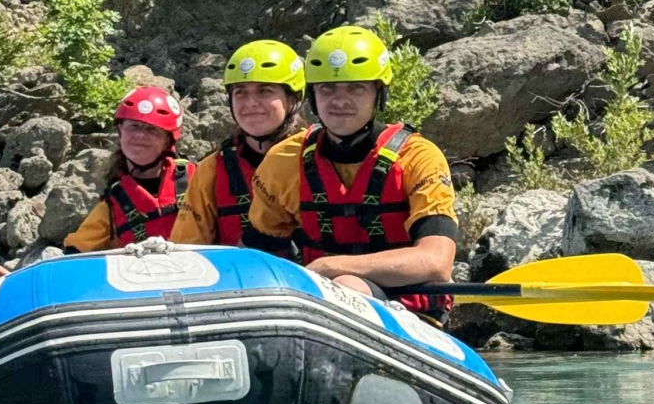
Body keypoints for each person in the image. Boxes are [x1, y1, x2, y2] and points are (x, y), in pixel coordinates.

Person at [247, 26, 458, 317]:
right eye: (327, 88)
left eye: (355, 88)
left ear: (378, 94)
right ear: (313, 95)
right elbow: (256, 253)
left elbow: (436, 262)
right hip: (318, 304)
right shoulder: (284, 159)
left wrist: (330, 267)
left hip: (409, 302)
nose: (340, 100)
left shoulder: (419, 157)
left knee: (346, 283)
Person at [171, 41, 305, 252]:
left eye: (265, 91)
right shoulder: (211, 170)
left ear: (293, 98)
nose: (251, 102)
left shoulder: (320, 155)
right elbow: (186, 251)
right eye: (240, 92)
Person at [64, 86, 194, 253]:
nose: (140, 135)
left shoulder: (196, 180)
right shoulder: (114, 201)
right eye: (134, 126)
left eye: (151, 129)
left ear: (168, 140)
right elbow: (74, 251)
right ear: (121, 130)